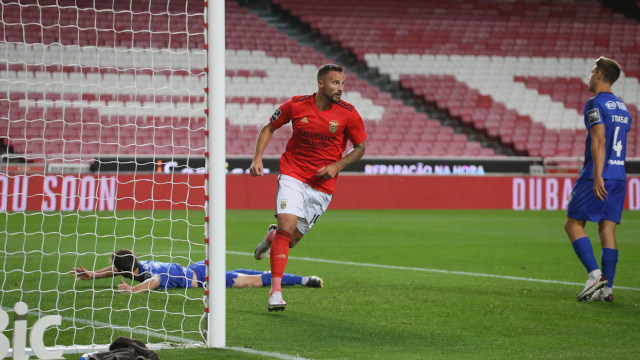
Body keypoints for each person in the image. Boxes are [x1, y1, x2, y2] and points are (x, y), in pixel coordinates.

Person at [249, 64, 367, 311]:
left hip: (322, 186)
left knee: (289, 240)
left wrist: (337, 165)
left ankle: (272, 236)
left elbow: (360, 148)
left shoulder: (348, 113)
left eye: (343, 83)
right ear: (321, 83)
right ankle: (275, 293)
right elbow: (269, 127)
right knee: (287, 226)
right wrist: (257, 158)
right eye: (336, 83)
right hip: (293, 174)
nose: (341, 89)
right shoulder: (296, 104)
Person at [564, 57, 631, 302]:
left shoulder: (594, 104)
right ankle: (607, 290)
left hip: (598, 173)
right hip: (619, 175)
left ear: (600, 74)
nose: (590, 75)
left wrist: (597, 175)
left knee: (573, 225)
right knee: (607, 227)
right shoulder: (623, 107)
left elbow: (600, 139)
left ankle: (595, 276)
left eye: (593, 71)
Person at [71, 249, 324, 293]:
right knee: (241, 274)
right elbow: (116, 269)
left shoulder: (145, 275)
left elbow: (156, 282)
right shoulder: (140, 264)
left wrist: (132, 291)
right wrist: (94, 274)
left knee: (253, 282)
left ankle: (305, 280)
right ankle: (299, 279)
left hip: (203, 276)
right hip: (196, 269)